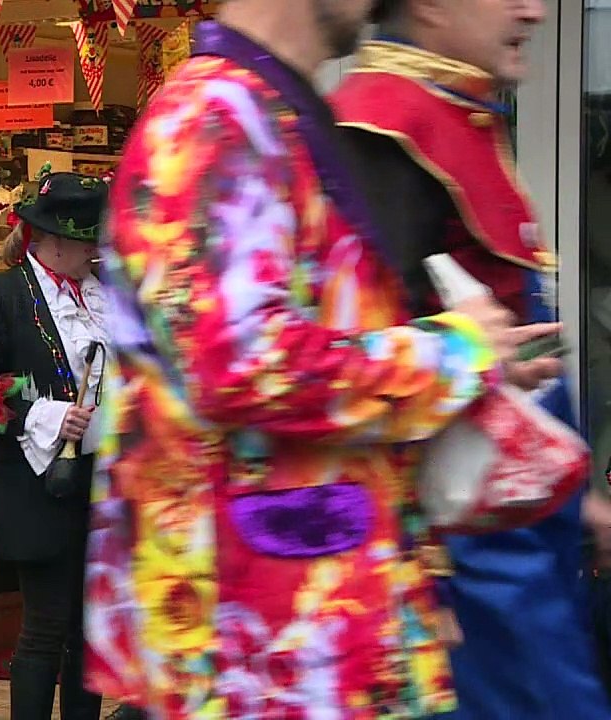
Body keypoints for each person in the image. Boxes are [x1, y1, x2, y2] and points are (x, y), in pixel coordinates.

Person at [82, 3, 567, 718]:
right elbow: (243, 364)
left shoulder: (260, 110)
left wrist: (472, 362)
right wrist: (455, 351)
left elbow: (277, 351)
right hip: (257, 646)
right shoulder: (217, 113)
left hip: (296, 636)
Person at [332, 1, 611, 716]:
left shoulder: (453, 110)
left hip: (512, 529)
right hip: (462, 557)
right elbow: (357, 363)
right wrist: (414, 574)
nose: (534, 11)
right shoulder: (381, 126)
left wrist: (574, 499)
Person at [0, 172, 109, 720]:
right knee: (46, 628)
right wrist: (47, 415)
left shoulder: (104, 296)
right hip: (38, 486)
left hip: (103, 484)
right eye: (87, 240)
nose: (96, 250)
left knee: (90, 631)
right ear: (51, 239)